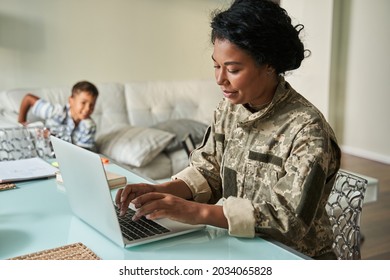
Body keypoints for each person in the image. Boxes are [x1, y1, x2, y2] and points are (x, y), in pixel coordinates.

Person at [116, 0, 341, 259]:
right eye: (216, 65)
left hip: (294, 257)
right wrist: (163, 191)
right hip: (240, 248)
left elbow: (289, 220)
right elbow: (208, 170)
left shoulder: (306, 128)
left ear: (269, 65)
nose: (220, 79)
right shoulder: (229, 108)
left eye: (233, 69)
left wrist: (194, 211)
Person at [18, 80, 99, 151]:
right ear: (71, 100)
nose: (88, 108)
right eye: (83, 103)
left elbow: (82, 153)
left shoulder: (89, 125)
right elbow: (28, 98)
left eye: (92, 105)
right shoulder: (56, 112)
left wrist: (53, 137)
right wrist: (21, 122)